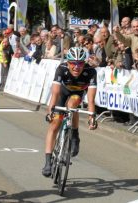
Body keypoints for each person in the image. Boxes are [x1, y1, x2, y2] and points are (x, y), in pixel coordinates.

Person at [42, 47, 98, 177]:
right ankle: (48, 162)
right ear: (68, 62)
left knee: (73, 105)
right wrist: (50, 111)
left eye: (80, 63)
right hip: (62, 93)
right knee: (55, 123)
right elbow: (55, 93)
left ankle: (74, 135)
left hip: (77, 93)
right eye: (73, 63)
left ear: (85, 63)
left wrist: (92, 118)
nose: (76, 67)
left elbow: (90, 100)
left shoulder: (91, 72)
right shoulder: (62, 69)